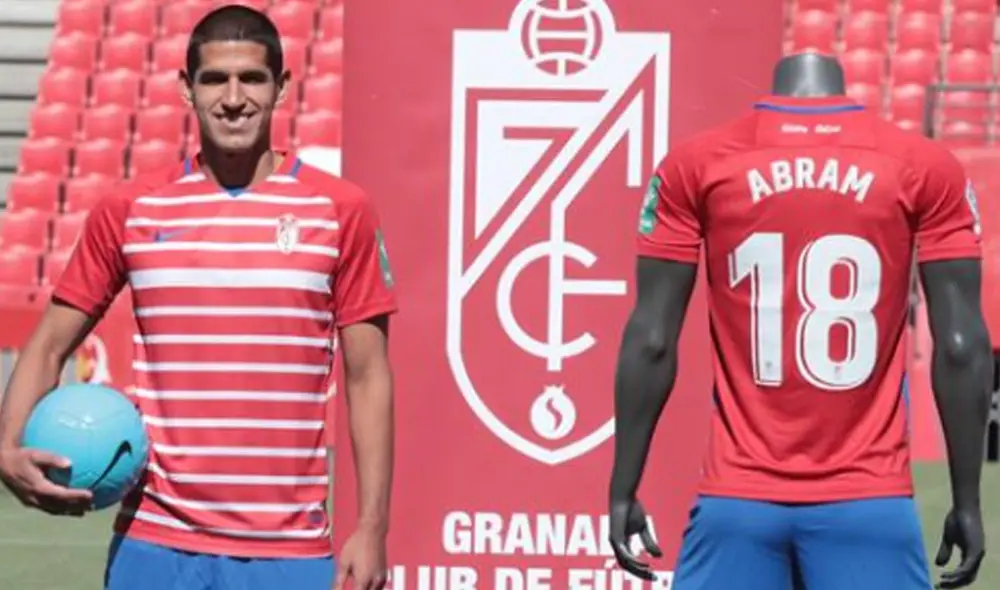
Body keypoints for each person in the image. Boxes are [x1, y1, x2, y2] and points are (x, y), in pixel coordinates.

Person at [0, 6, 395, 590]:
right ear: (187, 89)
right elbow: (49, 343)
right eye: (214, 79)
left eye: (252, 78)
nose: (233, 98)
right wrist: (6, 447)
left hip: (289, 550)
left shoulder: (341, 210)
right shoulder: (131, 208)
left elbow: (368, 378)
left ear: (281, 87)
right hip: (153, 543)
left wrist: (372, 526)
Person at [607, 53, 992, 590]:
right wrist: (966, 500)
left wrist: (623, 487)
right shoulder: (923, 164)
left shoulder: (698, 163)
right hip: (870, 503)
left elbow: (651, 340)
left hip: (736, 501)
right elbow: (960, 346)